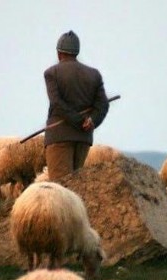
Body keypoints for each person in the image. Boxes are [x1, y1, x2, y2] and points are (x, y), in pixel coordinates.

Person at [43, 30, 109, 182]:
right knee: (77, 186)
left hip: (60, 136)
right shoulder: (94, 74)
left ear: (59, 53)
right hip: (83, 138)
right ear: (76, 52)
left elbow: (57, 103)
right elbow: (103, 104)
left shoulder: (52, 73)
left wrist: (79, 121)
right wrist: (91, 120)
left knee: (61, 187)